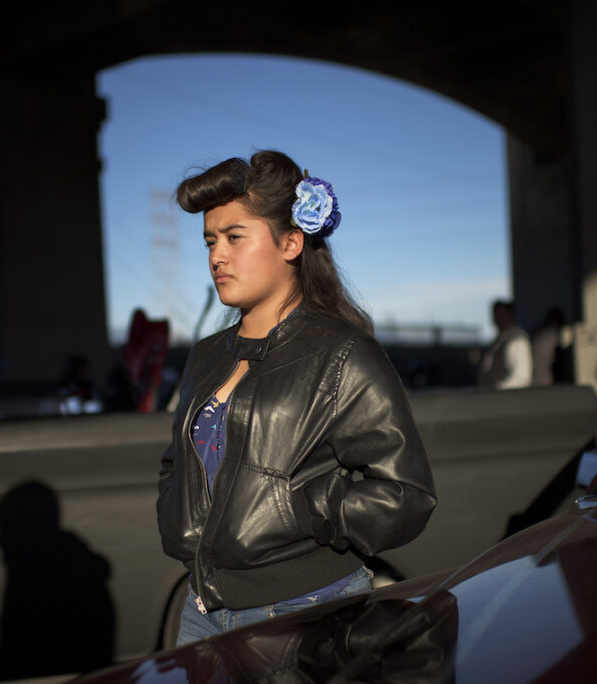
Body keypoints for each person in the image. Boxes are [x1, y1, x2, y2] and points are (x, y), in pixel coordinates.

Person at [157, 150, 436, 646]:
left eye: (235, 237)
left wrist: (302, 506)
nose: (216, 256)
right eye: (210, 241)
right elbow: (176, 463)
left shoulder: (343, 353)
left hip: (305, 608)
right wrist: (175, 514)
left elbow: (406, 495)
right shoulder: (204, 356)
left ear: (290, 243)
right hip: (202, 609)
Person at [478, 300, 532, 389]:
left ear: (509, 315)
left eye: (501, 315)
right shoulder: (499, 339)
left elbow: (522, 378)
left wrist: (497, 390)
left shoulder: (517, 339)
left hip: (507, 398)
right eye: (495, 315)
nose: (497, 319)